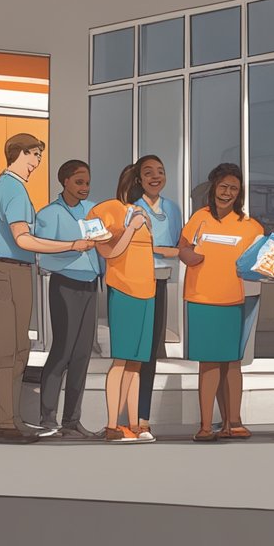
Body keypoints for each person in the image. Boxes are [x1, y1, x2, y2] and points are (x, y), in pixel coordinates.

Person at [0, 134, 96, 443]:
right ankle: (4, 422)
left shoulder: (5, 187)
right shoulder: (14, 190)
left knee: (7, 349)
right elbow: (23, 239)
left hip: (9, 270)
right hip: (11, 269)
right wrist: (72, 245)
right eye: (34, 156)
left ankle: (2, 420)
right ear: (18, 154)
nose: (36, 163)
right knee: (12, 350)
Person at [178, 163, 263, 442]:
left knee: (233, 363)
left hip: (235, 299)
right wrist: (190, 256)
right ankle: (205, 425)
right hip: (202, 298)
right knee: (210, 364)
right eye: (223, 186)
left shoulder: (250, 226)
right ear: (213, 186)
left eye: (234, 189)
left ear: (240, 194)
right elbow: (183, 248)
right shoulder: (199, 217)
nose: (227, 193)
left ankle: (233, 422)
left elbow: (262, 259)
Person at [33, 159, 102, 439]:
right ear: (65, 182)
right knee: (62, 351)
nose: (84, 187)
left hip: (90, 285)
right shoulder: (49, 214)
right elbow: (43, 254)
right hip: (65, 284)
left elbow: (102, 242)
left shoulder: (92, 211)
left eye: (87, 182)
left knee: (83, 354)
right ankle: (48, 419)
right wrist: (74, 249)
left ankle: (72, 420)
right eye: (79, 182)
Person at [89, 164, 156, 444]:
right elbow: (108, 252)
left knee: (137, 362)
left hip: (147, 292)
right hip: (124, 291)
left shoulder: (144, 215)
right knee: (121, 359)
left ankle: (133, 424)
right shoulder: (106, 210)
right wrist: (131, 228)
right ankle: (112, 425)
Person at [133, 155, 183, 436]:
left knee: (151, 351)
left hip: (160, 283)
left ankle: (143, 418)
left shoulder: (173, 210)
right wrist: (162, 249)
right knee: (134, 352)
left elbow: (178, 246)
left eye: (161, 172)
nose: (156, 176)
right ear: (139, 179)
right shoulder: (132, 209)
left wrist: (160, 249)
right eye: (148, 172)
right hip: (134, 283)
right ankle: (126, 416)